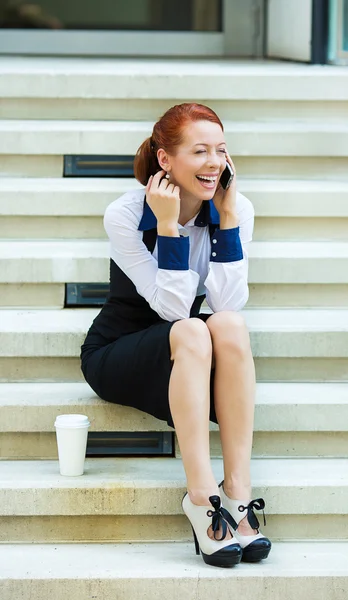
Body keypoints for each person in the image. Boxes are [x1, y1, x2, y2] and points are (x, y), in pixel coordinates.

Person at [80, 102, 271, 568]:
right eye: (200, 151)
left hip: (193, 353)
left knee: (228, 324)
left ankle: (238, 495)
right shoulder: (126, 214)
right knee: (189, 329)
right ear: (166, 160)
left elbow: (226, 305)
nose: (214, 163)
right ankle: (202, 498)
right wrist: (168, 226)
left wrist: (225, 221)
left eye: (222, 151)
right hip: (120, 352)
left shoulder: (235, 209)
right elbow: (172, 309)